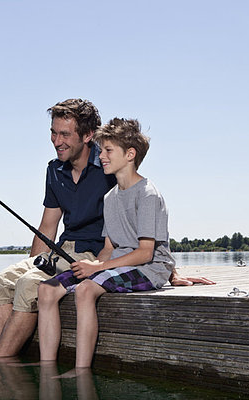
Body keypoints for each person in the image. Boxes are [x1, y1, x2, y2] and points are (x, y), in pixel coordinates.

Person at [37, 118, 214, 373]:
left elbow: (145, 252)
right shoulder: (110, 197)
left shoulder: (147, 194)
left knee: (86, 290)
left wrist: (99, 270)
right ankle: (46, 368)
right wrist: (92, 265)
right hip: (118, 263)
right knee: (46, 290)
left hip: (149, 268)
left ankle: (81, 370)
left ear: (130, 154)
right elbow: (109, 247)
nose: (102, 156)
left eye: (108, 151)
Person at [0, 98, 117, 360]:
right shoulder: (54, 170)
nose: (57, 141)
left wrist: (167, 267)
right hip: (59, 252)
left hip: (91, 255)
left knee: (28, 285)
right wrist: (35, 263)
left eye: (65, 134)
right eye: (53, 133)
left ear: (88, 135)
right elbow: (48, 225)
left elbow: (139, 211)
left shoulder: (110, 165)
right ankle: (8, 361)